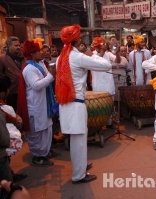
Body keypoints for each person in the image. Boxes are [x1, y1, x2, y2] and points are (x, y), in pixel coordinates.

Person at [56, 25, 111, 184]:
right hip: (76, 104)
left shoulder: (61, 57)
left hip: (65, 104)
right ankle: (78, 175)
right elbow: (106, 66)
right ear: (77, 39)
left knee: (76, 140)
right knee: (79, 140)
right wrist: (91, 54)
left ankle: (80, 167)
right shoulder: (78, 57)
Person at [22, 40, 55, 167]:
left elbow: (47, 77)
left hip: (44, 104)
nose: (41, 53)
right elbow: (36, 85)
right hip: (36, 106)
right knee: (38, 133)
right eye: (38, 51)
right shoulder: (29, 69)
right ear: (32, 54)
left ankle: (44, 153)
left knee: (46, 129)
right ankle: (38, 156)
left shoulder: (39, 64)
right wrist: (51, 75)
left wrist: (50, 72)